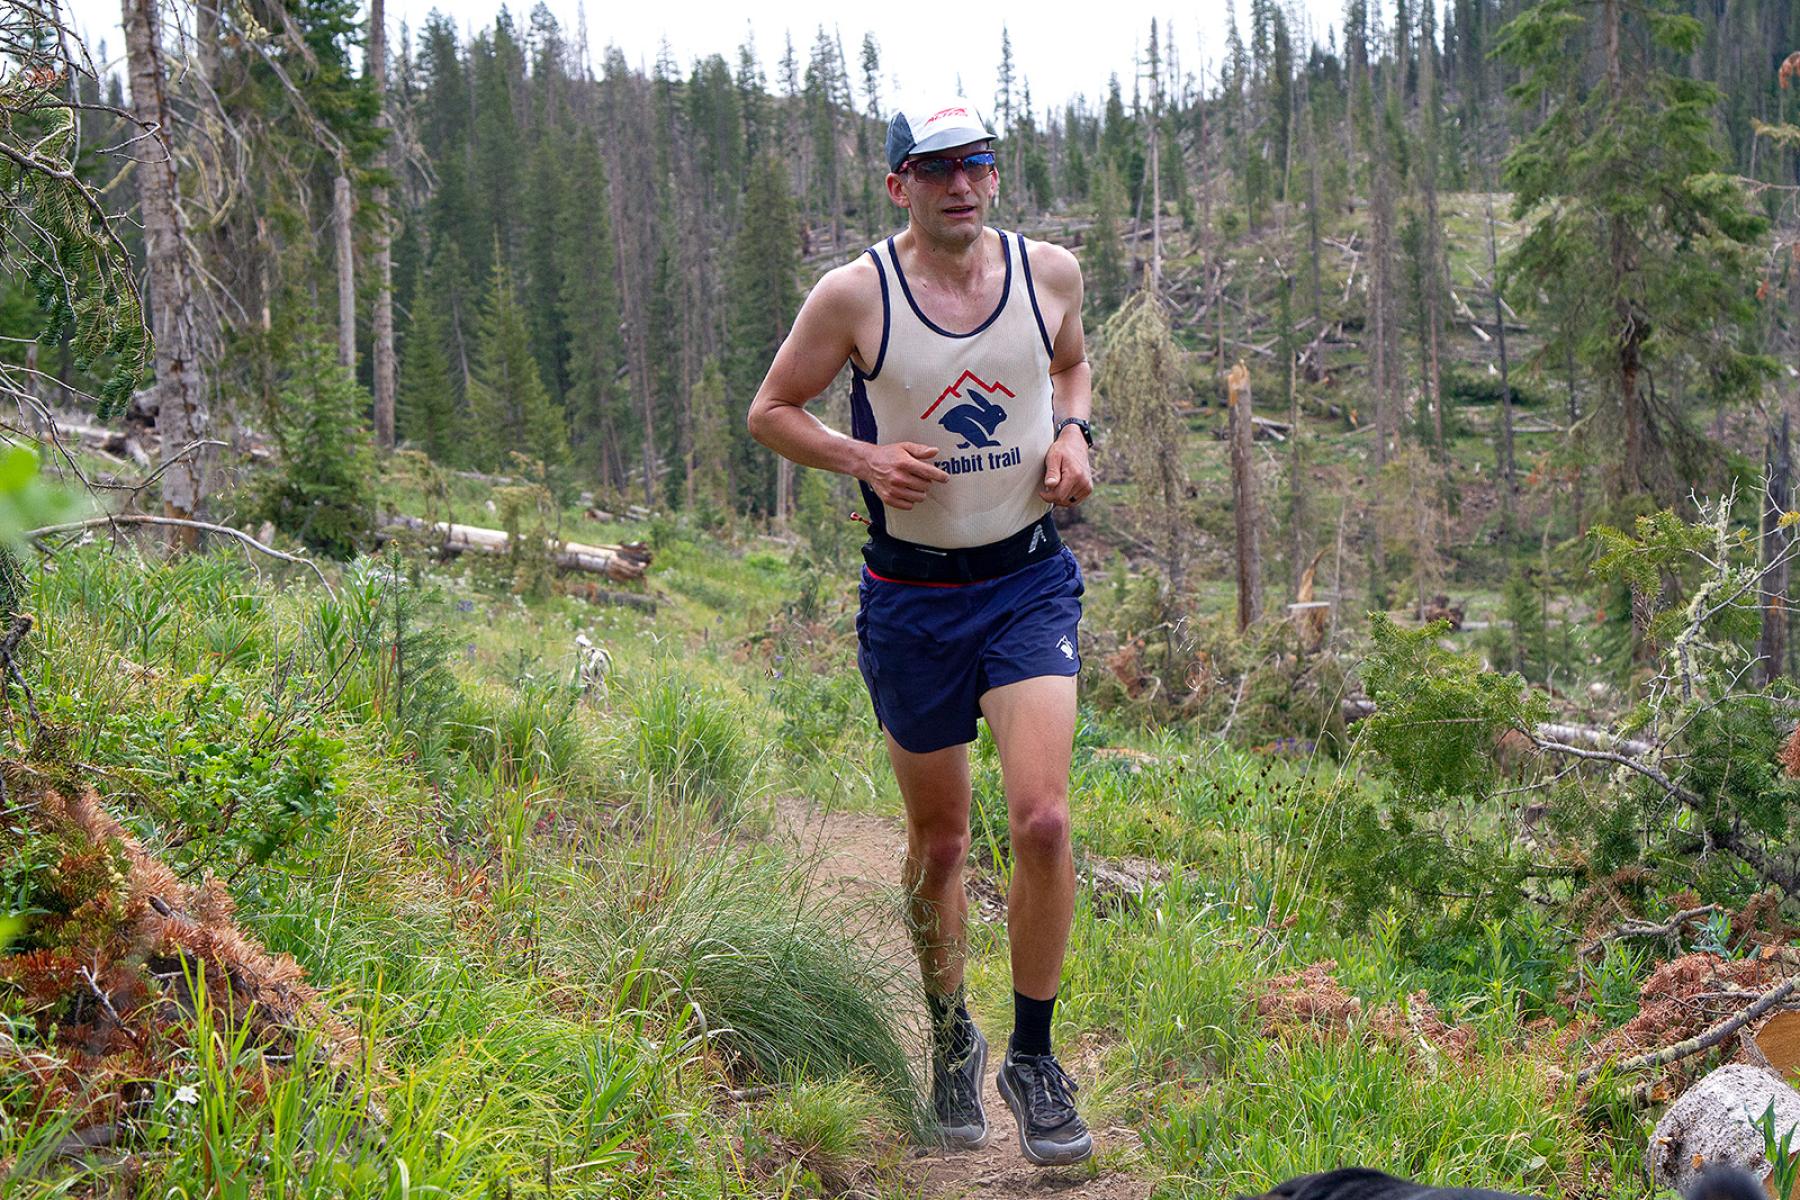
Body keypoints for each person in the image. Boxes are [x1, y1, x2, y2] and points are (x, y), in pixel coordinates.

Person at [746, 97, 1095, 1167]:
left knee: (1039, 822)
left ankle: (1033, 1059)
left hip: (1028, 581)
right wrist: (865, 461)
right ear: (898, 183)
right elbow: (772, 411)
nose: (961, 184)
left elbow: (1072, 364)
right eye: (936, 168)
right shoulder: (857, 294)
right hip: (913, 597)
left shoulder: (1051, 275)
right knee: (942, 842)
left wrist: (1075, 430)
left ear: (995, 174)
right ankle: (950, 1032)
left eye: (976, 164)